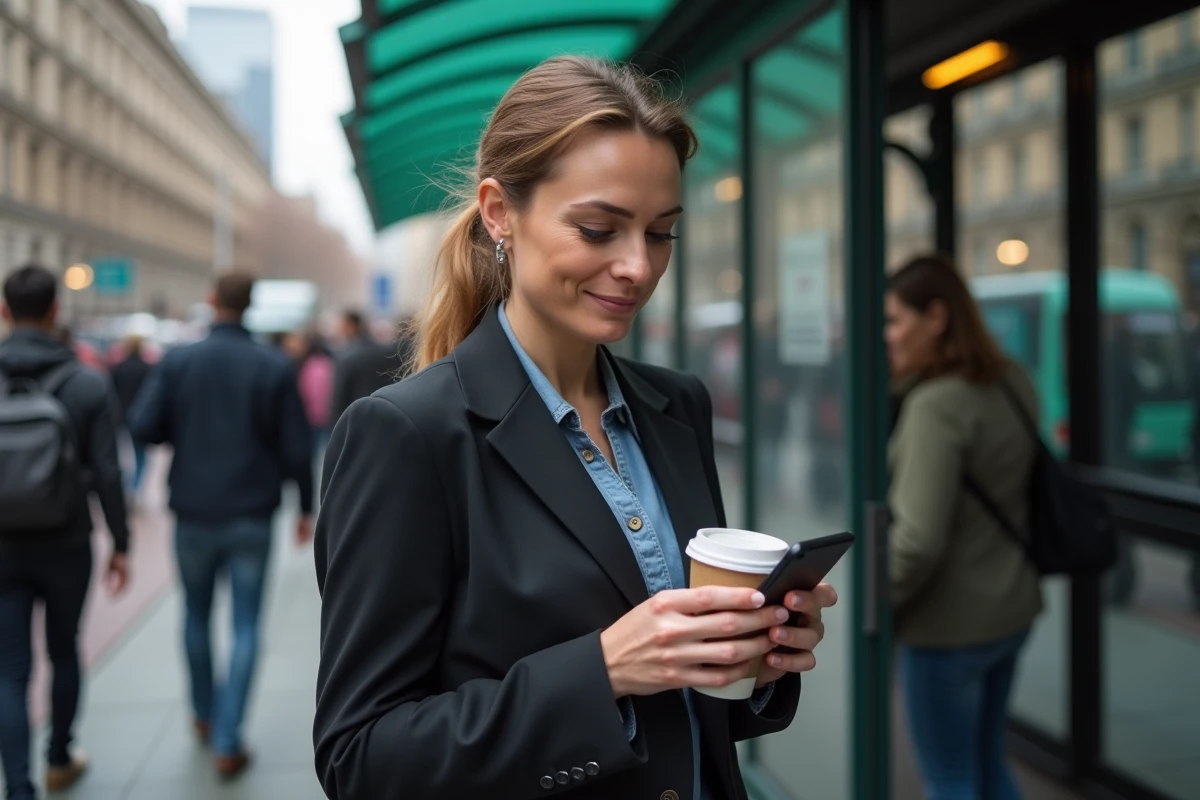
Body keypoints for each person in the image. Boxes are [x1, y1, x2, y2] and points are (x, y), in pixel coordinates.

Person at [312, 56, 838, 800]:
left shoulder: (676, 406)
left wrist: (756, 656)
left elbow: (690, 715)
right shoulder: (406, 436)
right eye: (599, 228)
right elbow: (360, 759)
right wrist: (605, 670)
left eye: (661, 234)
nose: (637, 266)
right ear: (500, 213)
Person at [128, 271, 314, 779]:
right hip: (252, 511)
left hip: (193, 510)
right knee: (248, 624)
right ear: (250, 305)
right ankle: (230, 738)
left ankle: (204, 715)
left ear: (211, 302)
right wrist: (305, 506)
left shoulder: (179, 360)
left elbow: (144, 426)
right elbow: (297, 447)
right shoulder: (273, 365)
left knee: (195, 614)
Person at [885, 254, 1043, 800]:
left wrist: (876, 602)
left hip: (946, 630)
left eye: (895, 320)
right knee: (987, 760)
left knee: (950, 777)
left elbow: (916, 541)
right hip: (1013, 608)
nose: (888, 336)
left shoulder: (936, 406)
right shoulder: (1012, 379)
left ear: (936, 317)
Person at [0, 264, 130, 799]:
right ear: (56, 310)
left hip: (2, 545)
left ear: (5, 312)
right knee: (63, 650)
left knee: (9, 668)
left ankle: (18, 786)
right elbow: (108, 470)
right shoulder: (85, 381)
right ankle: (58, 757)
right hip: (67, 538)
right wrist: (121, 543)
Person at [328, 310, 407, 424]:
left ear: (351, 326)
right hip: (384, 415)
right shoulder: (383, 351)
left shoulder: (347, 356)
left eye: (341, 325)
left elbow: (339, 398)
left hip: (354, 419)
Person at [109, 334, 153, 499]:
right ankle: (133, 488)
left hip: (119, 417)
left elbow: (110, 394)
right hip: (140, 418)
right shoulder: (147, 368)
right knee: (140, 456)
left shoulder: (118, 368)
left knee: (119, 456)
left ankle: (124, 488)